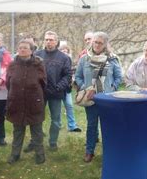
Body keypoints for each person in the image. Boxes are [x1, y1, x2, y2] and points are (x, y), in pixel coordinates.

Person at [75, 32, 123, 163]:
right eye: (95, 42)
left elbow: (119, 77)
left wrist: (112, 88)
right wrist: (85, 88)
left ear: (105, 44)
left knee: (108, 126)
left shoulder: (112, 59)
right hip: (90, 98)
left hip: (107, 99)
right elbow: (78, 76)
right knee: (91, 125)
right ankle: (89, 151)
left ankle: (109, 151)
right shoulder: (84, 59)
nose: (96, 45)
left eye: (100, 43)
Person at [5, 40, 46, 164]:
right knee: (18, 130)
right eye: (20, 47)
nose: (22, 50)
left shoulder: (38, 65)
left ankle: (40, 154)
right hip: (16, 101)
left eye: (25, 48)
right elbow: (8, 83)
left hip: (34, 101)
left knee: (37, 130)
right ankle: (15, 154)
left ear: (31, 50)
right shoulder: (12, 65)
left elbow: (43, 83)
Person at [34, 31, 72, 151]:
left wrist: (58, 87)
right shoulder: (37, 55)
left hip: (56, 93)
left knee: (56, 120)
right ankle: (35, 141)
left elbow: (67, 76)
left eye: (51, 40)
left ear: (56, 41)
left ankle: (53, 142)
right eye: (46, 39)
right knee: (36, 118)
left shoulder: (64, 57)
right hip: (40, 93)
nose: (48, 42)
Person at [58, 43, 82, 133]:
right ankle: (58, 124)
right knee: (58, 108)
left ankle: (72, 126)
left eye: (66, 51)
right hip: (58, 88)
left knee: (69, 105)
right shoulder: (57, 61)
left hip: (67, 89)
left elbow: (70, 74)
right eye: (62, 51)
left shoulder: (69, 62)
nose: (64, 53)